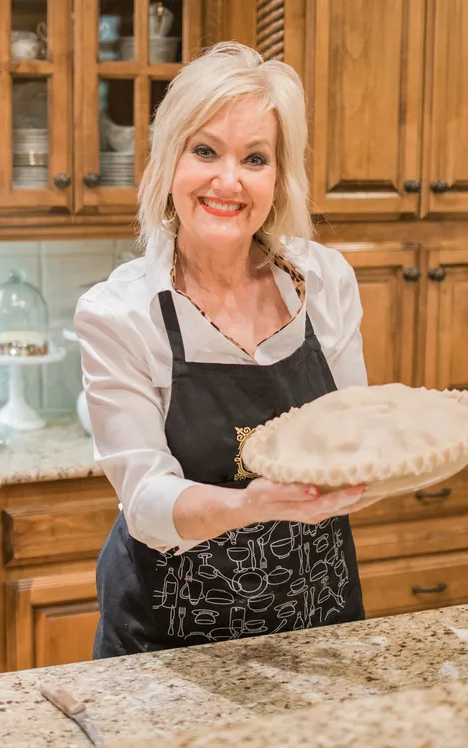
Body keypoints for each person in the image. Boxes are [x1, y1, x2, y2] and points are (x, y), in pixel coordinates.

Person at [75, 42, 376, 659]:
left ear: (278, 177)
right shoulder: (120, 313)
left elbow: (356, 436)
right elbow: (147, 501)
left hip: (317, 622)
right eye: (205, 150)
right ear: (168, 163)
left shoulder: (324, 281)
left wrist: (382, 464)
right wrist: (251, 505)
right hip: (168, 645)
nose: (228, 181)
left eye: (255, 158)